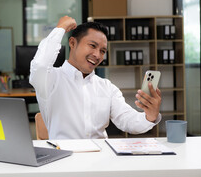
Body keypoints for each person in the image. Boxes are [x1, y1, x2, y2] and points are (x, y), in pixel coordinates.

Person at [29, 16, 162, 139]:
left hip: (101, 158)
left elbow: (126, 120)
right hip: (65, 158)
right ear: (72, 43)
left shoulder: (107, 87)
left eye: (102, 51)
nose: (97, 55)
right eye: (92, 46)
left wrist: (149, 117)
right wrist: (60, 28)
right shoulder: (50, 79)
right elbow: (40, 64)